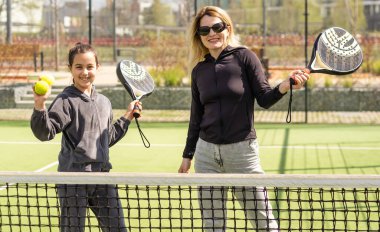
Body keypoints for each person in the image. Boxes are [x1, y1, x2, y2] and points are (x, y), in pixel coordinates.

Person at [178, 6, 309, 231]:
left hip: (242, 153)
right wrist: (188, 155)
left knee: (264, 222)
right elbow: (196, 116)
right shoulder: (199, 71)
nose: (212, 33)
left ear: (227, 29)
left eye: (217, 27)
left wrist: (286, 85)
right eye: (205, 30)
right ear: (198, 36)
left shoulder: (245, 57)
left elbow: (265, 99)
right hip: (206, 155)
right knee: (212, 225)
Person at [31, 42, 140, 232]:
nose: (85, 72)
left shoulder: (104, 102)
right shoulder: (65, 101)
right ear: (70, 69)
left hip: (102, 178)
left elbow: (107, 139)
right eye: (78, 67)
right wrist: (40, 105)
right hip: (73, 179)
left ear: (97, 67)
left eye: (89, 67)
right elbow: (44, 132)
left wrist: (127, 116)